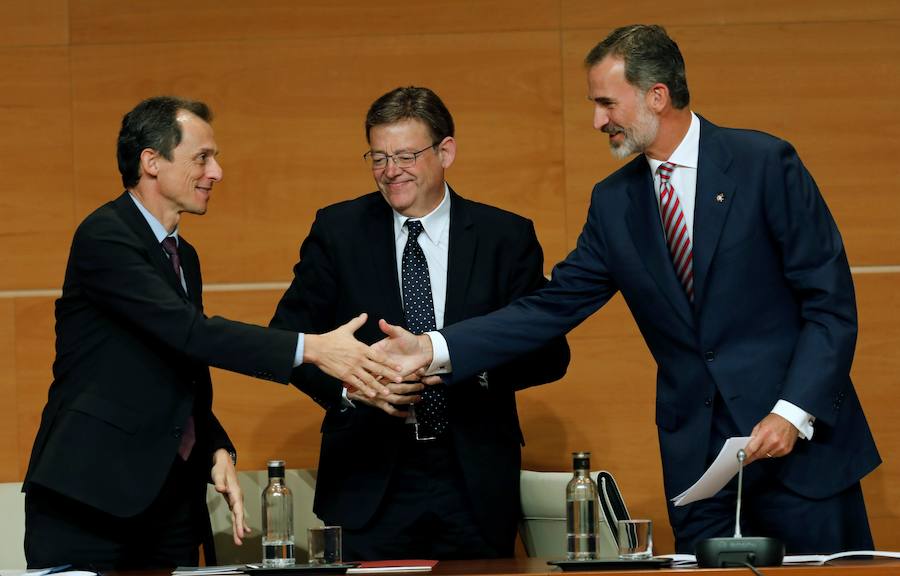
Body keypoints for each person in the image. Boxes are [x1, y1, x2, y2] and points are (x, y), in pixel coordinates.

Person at [376, 26, 881, 554]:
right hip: (699, 469)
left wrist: (791, 411)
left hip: (800, 452)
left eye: (606, 103)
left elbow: (830, 305)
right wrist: (433, 347)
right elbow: (552, 306)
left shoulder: (765, 164)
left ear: (656, 96)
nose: (597, 120)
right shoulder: (614, 203)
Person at [23, 96, 398, 570]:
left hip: (169, 502)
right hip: (91, 498)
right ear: (152, 162)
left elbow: (179, 365)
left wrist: (214, 445)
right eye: (202, 157)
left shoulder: (184, 257)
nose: (216, 171)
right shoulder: (105, 236)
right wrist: (311, 348)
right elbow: (190, 332)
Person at [269, 86, 570, 560]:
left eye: (406, 155)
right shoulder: (337, 231)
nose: (390, 172)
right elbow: (288, 341)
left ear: (445, 151)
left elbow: (552, 353)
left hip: (472, 479)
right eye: (378, 157)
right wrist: (351, 387)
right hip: (368, 478)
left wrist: (464, 362)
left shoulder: (504, 237)